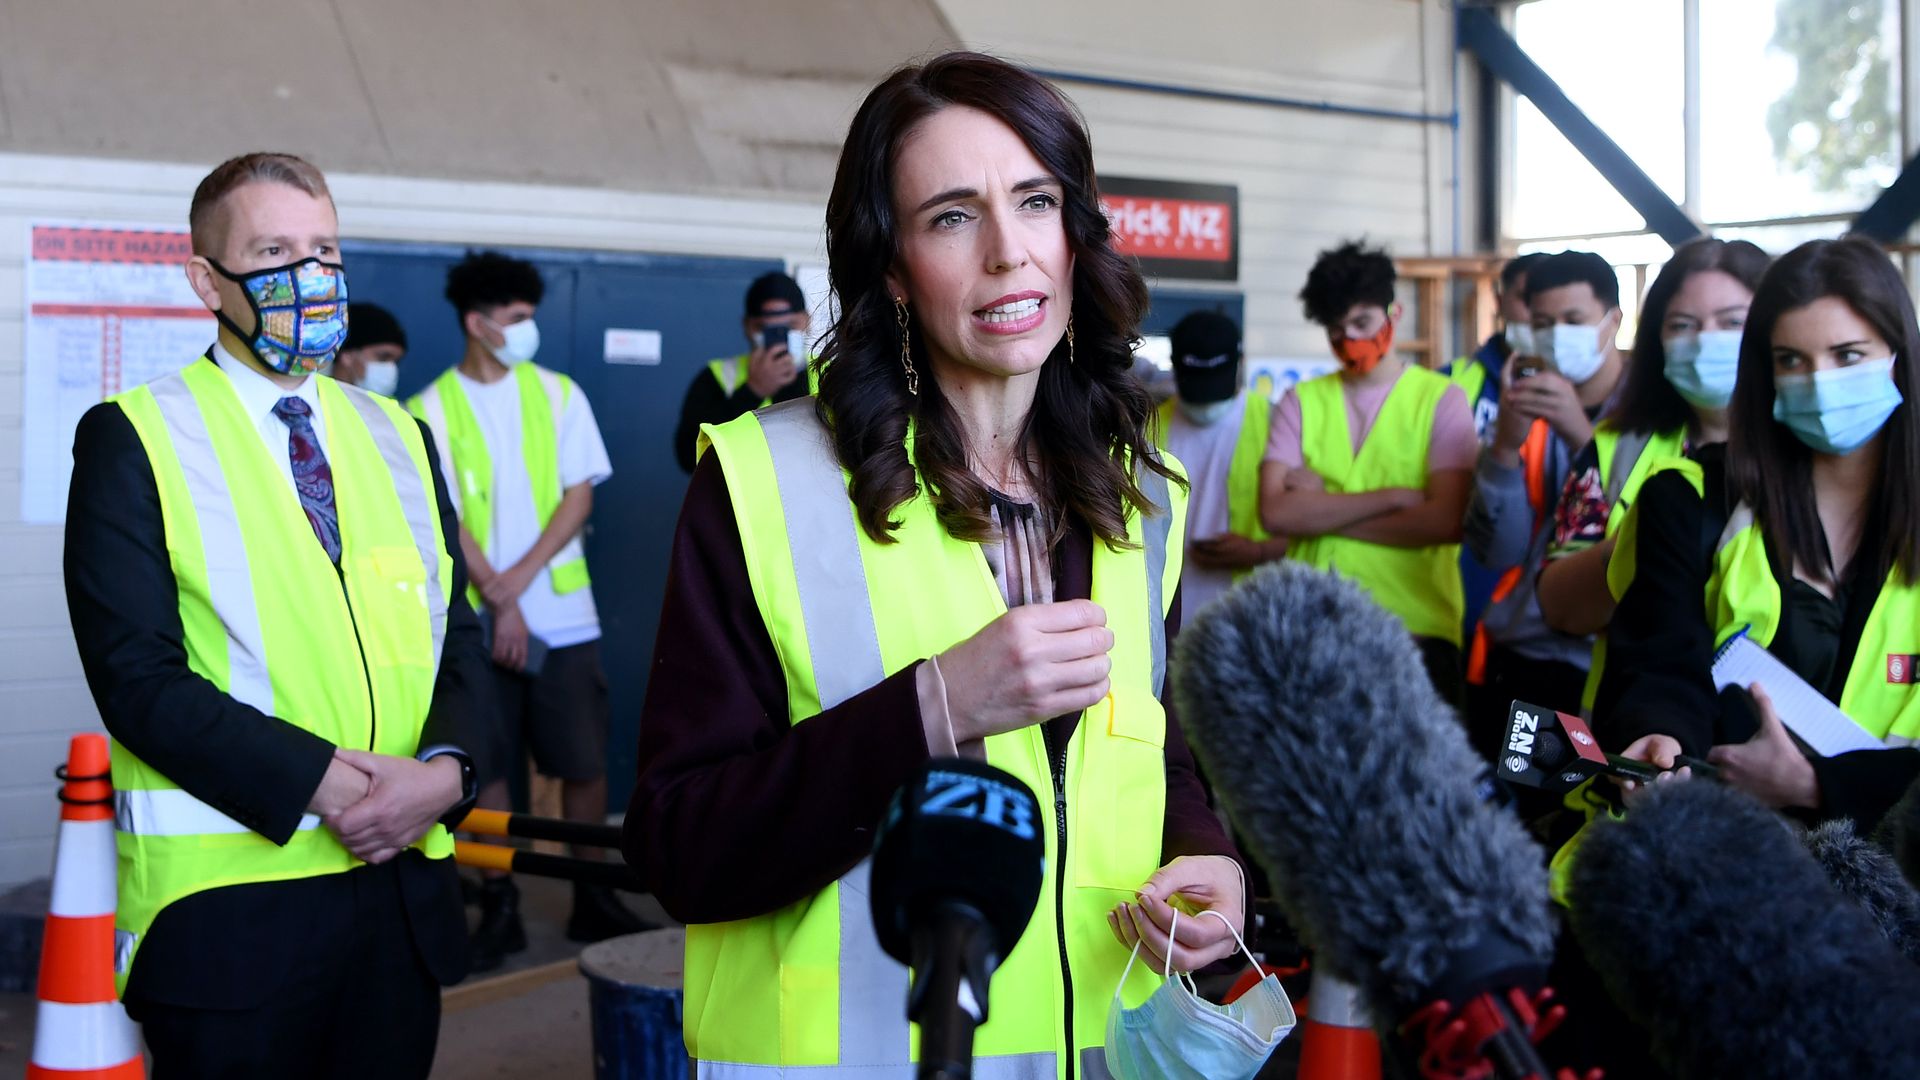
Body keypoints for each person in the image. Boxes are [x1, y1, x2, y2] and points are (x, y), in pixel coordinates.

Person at [626, 52, 1246, 1077]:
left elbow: (1155, 751)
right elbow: (679, 846)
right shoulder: (764, 482)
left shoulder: (1143, 490)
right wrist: (935, 707)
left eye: (1035, 202)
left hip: (1096, 1054)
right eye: (953, 216)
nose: (1010, 253)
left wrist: (1207, 854)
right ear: (892, 269)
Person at [62, 152, 482, 1078]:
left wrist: (446, 774)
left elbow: (457, 637)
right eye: (274, 252)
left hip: (399, 902)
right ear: (206, 280)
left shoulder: (400, 436)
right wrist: (329, 787)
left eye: (325, 249)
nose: (311, 275)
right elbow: (136, 680)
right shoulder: (134, 438)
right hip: (230, 920)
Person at [1599, 236, 1920, 831]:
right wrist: (1659, 736)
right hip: (1709, 852)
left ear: (1900, 354)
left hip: (1895, 874)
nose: (1818, 382)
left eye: (1848, 355)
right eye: (1791, 360)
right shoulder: (1687, 497)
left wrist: (1818, 786)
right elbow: (1659, 659)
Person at [405, 250, 641, 970]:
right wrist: (497, 598)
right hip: (476, 628)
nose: (527, 328)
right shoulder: (426, 410)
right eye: (516, 318)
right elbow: (444, 518)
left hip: (563, 620)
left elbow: (579, 497)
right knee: (486, 763)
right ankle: (498, 902)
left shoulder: (560, 395)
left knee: (582, 760)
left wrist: (512, 586)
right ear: (477, 324)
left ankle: (592, 896)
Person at [1536, 239, 1770, 710]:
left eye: (1732, 323)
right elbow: (1560, 609)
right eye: (1682, 325)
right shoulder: (1617, 446)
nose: (1704, 340)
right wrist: (1640, 545)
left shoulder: (1815, 453)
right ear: (1656, 338)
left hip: (1776, 725)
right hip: (1636, 724)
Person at [1259, 241, 1478, 704]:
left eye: (1362, 323)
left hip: (1416, 632)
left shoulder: (1441, 399)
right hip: (1313, 630)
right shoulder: (1301, 401)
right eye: (1336, 330)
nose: (1350, 340)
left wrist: (1320, 509)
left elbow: (1445, 521)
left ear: (1394, 314)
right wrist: (1394, 497)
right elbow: (1275, 513)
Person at [1462, 250, 1629, 756]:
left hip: (1613, 662)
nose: (1557, 335)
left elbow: (1641, 533)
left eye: (1573, 320)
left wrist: (1583, 439)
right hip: (1525, 654)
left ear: (1612, 321)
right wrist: (1504, 447)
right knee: (1515, 800)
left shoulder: (1653, 415)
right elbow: (1500, 550)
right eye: (1542, 324)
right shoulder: (1524, 408)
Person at [1151, 309, 1284, 617]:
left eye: (1214, 386)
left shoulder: (1276, 423)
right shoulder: (1147, 427)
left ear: (1239, 364)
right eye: (1197, 386)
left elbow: (1312, 529)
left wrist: (1259, 552)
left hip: (1251, 611)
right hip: (1166, 613)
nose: (1206, 402)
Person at [670, 271, 813, 473]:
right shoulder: (716, 377)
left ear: (807, 321)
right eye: (765, 328)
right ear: (747, 327)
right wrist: (753, 391)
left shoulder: (832, 373)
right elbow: (688, 456)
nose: (778, 337)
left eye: (789, 326)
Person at [1447, 251, 1548, 444]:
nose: (1539, 312)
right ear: (1499, 303)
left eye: (1548, 301)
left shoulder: (1588, 390)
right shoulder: (1448, 382)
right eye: (1527, 299)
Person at [329, 300, 407, 397]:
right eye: (383, 357)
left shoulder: (391, 406)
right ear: (347, 355)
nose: (391, 368)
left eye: (396, 362)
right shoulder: (313, 399)